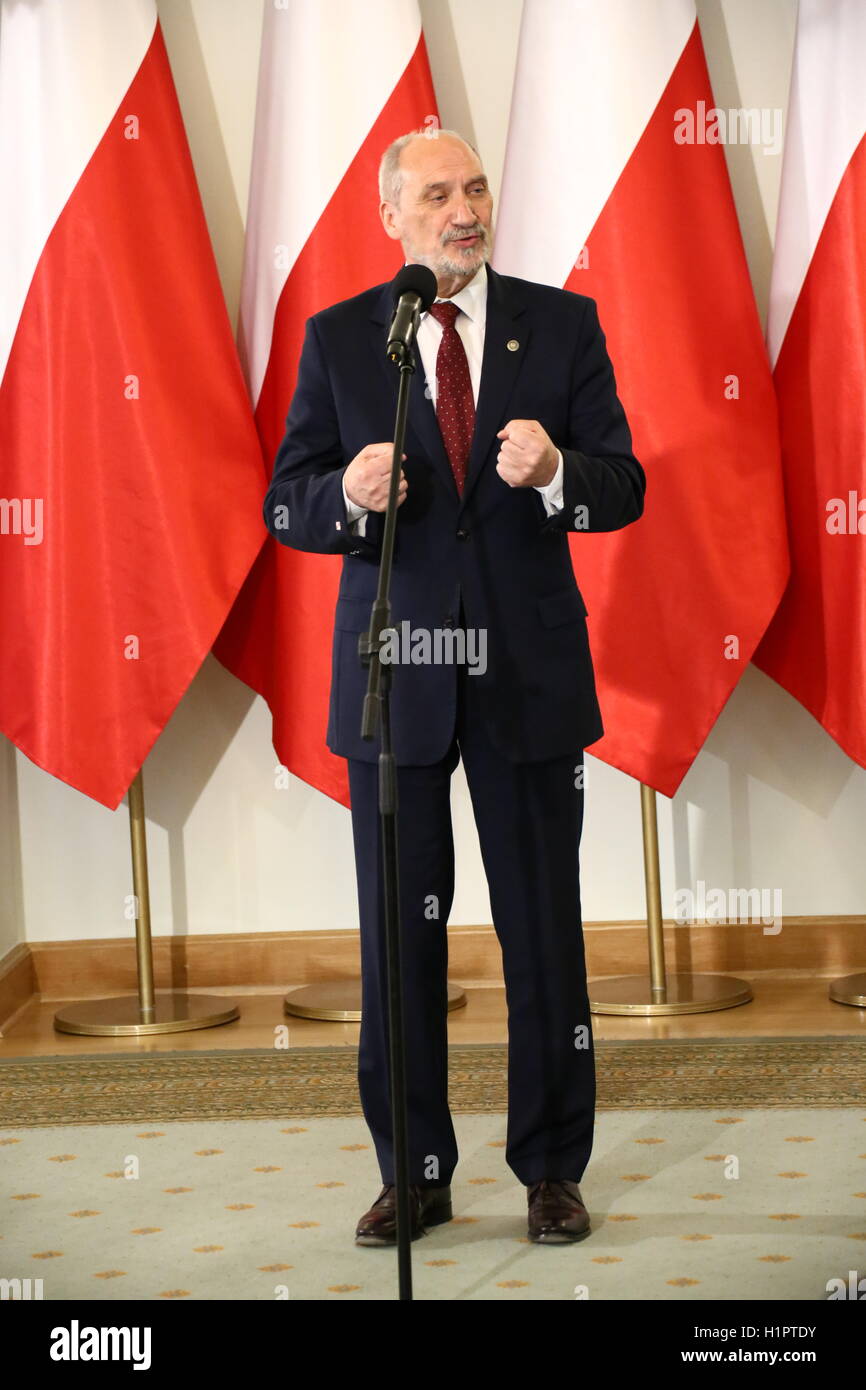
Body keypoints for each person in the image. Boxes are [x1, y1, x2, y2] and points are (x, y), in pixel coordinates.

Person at [263, 128, 646, 1246]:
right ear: (393, 218)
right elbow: (284, 502)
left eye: (474, 186)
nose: (462, 208)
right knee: (400, 941)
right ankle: (415, 1172)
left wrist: (558, 475)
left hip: (526, 679)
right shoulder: (344, 340)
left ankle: (549, 1170)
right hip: (398, 683)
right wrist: (344, 492)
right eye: (436, 194)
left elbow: (621, 487)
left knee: (542, 934)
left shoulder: (559, 322)